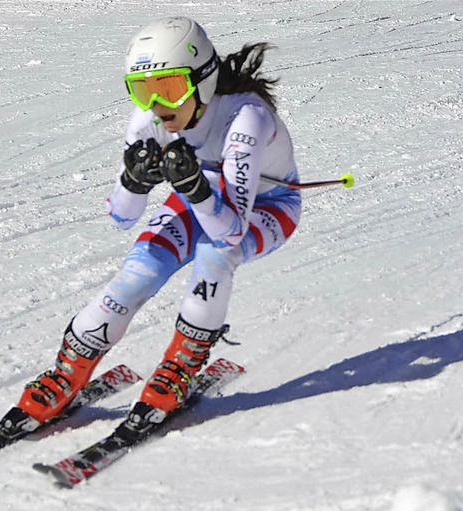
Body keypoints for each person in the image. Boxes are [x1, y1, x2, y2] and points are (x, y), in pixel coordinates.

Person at [17, 16, 302, 434]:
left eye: (168, 88)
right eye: (143, 90)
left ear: (202, 80)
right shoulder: (148, 120)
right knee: (137, 273)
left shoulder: (247, 119)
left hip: (269, 206)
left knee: (214, 254)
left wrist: (195, 189)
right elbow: (122, 217)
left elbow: (231, 232)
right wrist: (134, 182)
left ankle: (179, 366)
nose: (157, 105)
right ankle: (67, 373)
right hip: (201, 194)